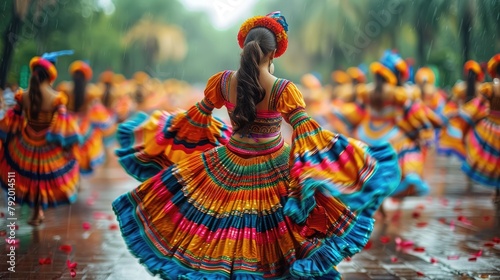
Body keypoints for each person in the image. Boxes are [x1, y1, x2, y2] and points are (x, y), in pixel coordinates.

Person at [112, 12, 400, 279]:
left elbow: (195, 118)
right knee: (274, 239)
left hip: (225, 165)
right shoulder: (284, 89)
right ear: (274, 52)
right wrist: (342, 162)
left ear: (245, 47)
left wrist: (167, 136)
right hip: (275, 166)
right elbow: (308, 134)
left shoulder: (223, 82)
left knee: (225, 234)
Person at [0, 54, 81, 226]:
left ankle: (36, 211)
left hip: (25, 144)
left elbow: (11, 121)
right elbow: (64, 125)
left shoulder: (23, 96)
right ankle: (39, 210)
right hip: (48, 145)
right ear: (50, 75)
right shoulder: (57, 98)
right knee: (42, 179)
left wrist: (9, 139)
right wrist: (65, 144)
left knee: (31, 179)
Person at [445, 55, 499, 202]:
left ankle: (496, 190)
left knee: (488, 157)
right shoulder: (482, 87)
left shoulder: (488, 88)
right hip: (483, 120)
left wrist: (457, 113)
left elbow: (476, 106)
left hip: (486, 126)